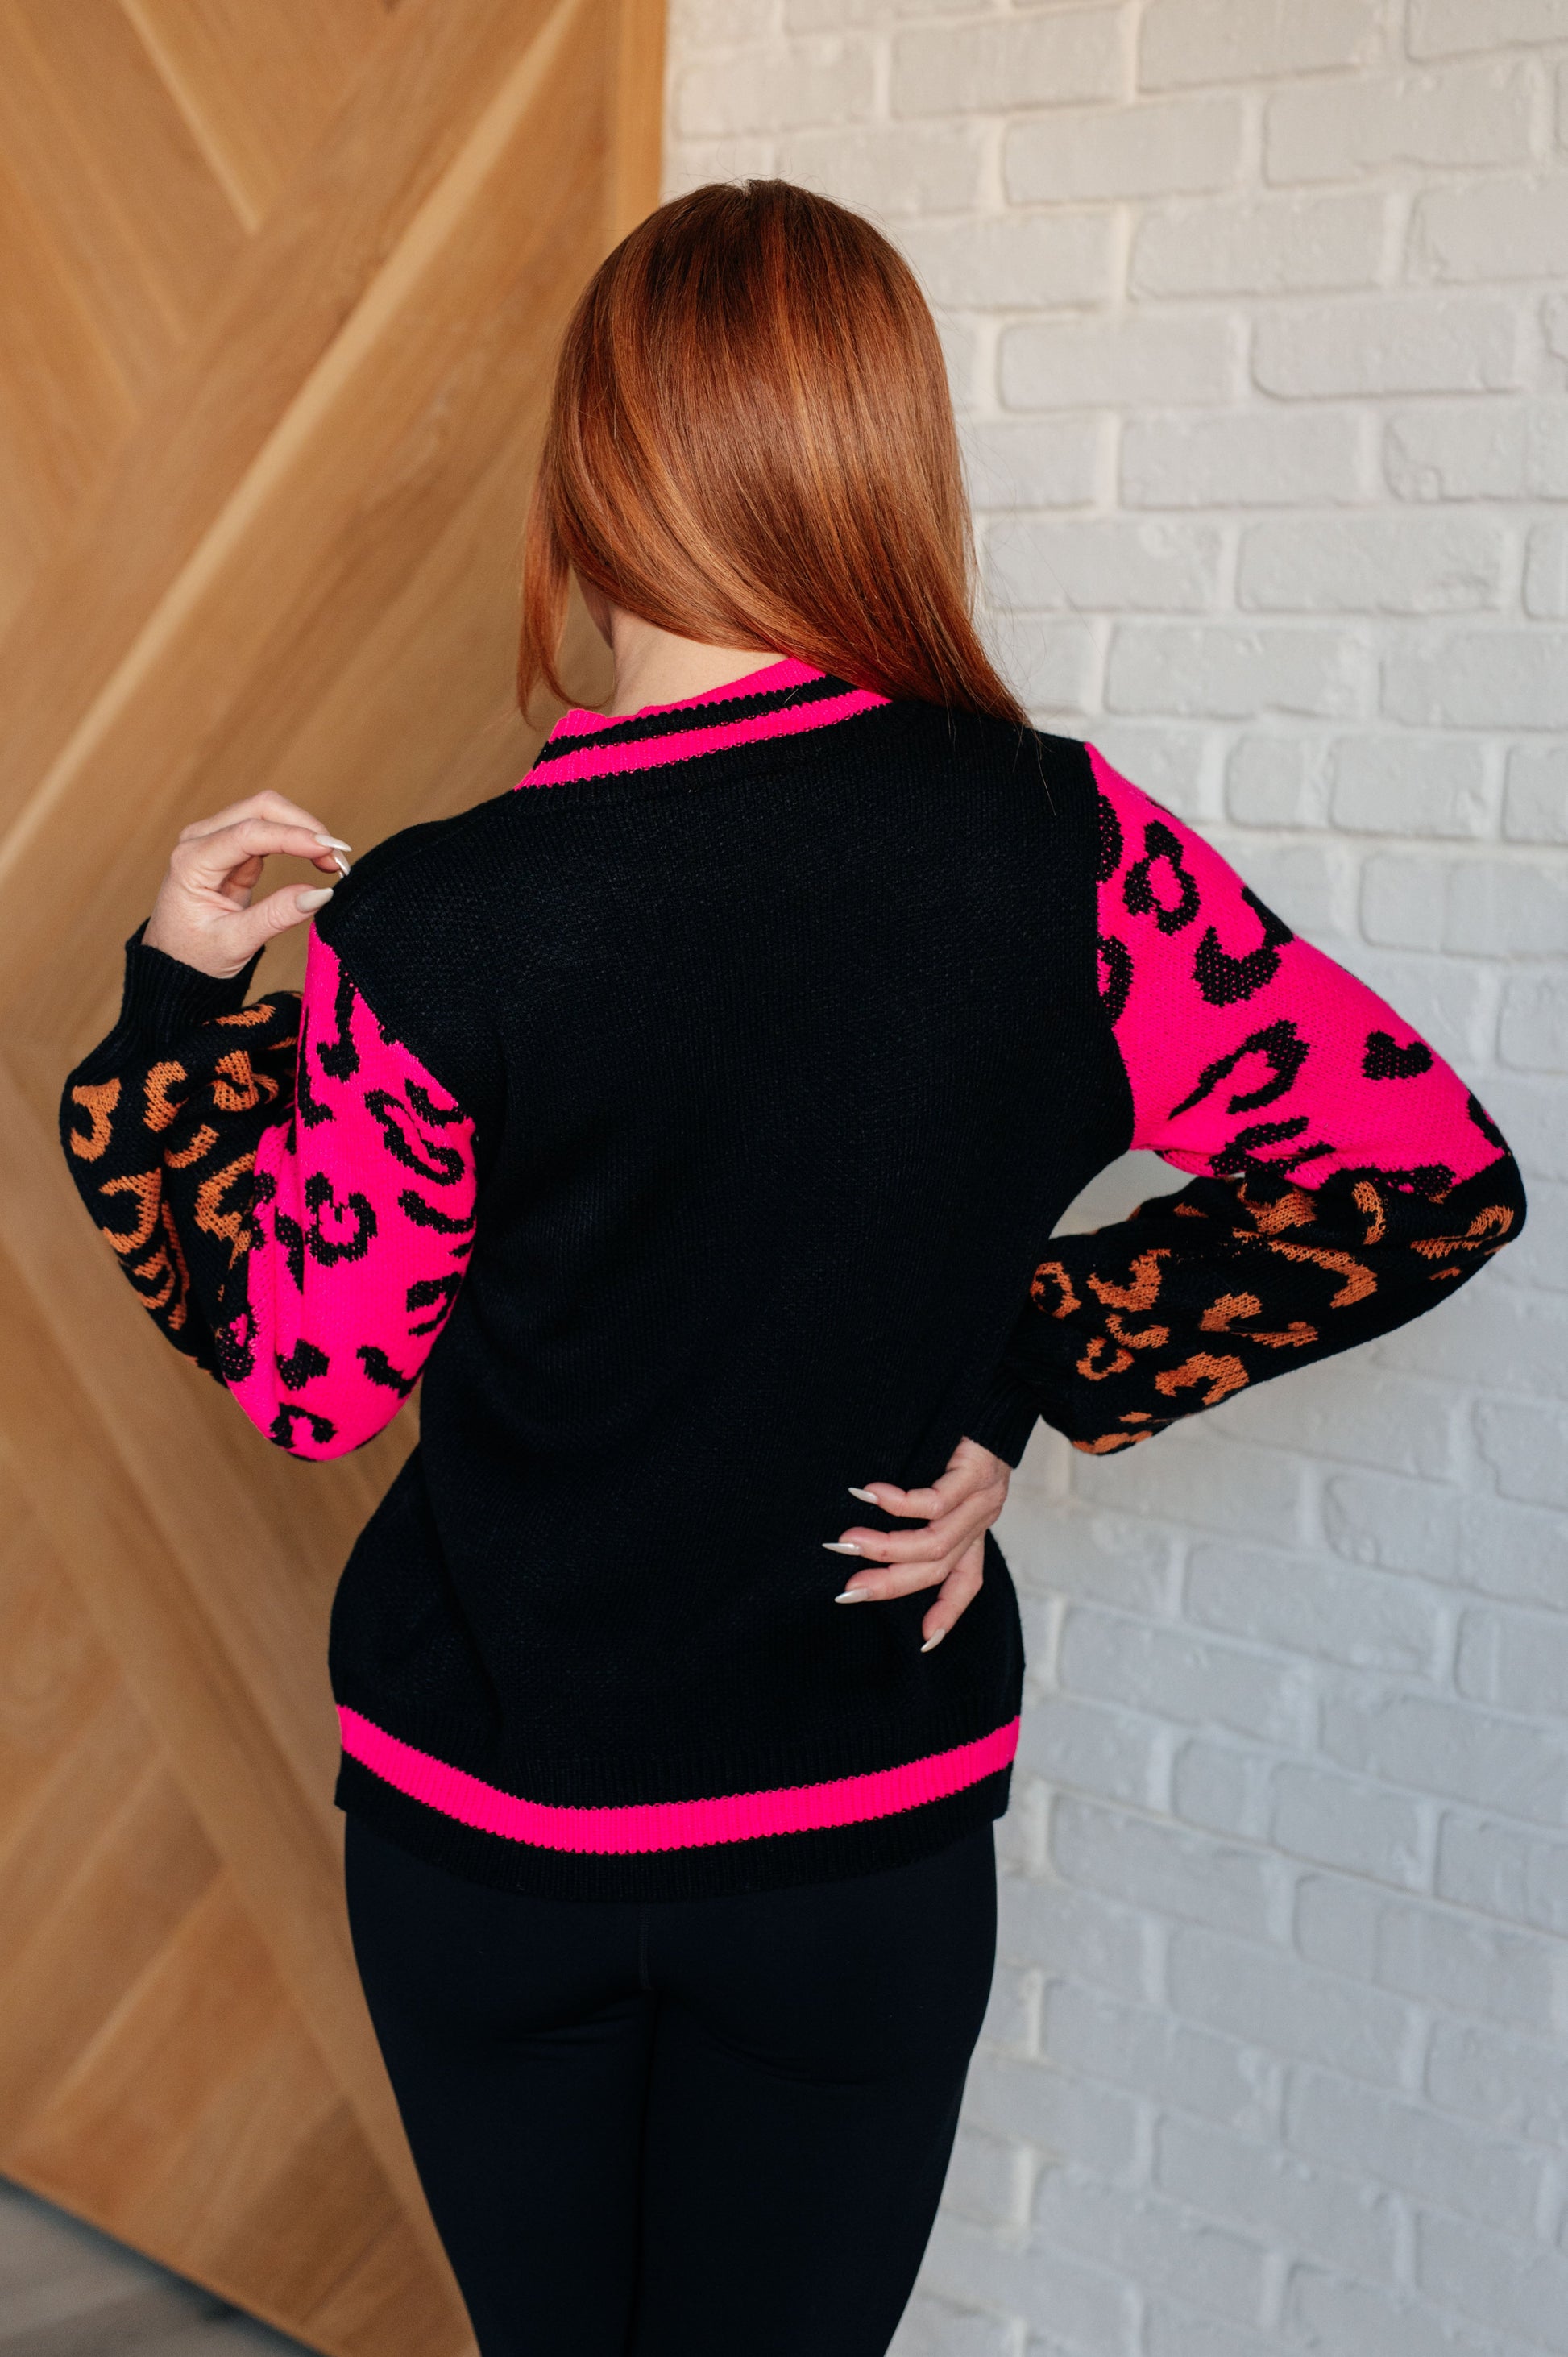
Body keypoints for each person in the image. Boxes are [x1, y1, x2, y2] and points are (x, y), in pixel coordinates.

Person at [59, 181, 1524, 2357]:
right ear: (876, 462)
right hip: (856, 1836)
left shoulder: (440, 916)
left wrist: (181, 1009)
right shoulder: (1067, 850)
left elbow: (310, 1375)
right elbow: (1417, 1174)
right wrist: (1029, 1361)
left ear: (591, 468)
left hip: (493, 1840)